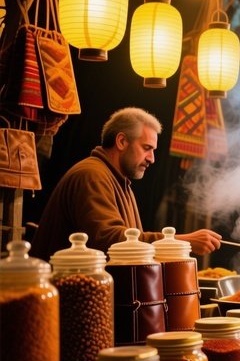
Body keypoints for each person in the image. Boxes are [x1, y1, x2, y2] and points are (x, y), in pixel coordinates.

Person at [31, 107, 222, 260]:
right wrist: (181, 241)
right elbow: (110, 240)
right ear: (121, 141)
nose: (152, 159)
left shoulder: (118, 180)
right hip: (65, 301)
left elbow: (130, 239)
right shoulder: (92, 175)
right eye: (147, 148)